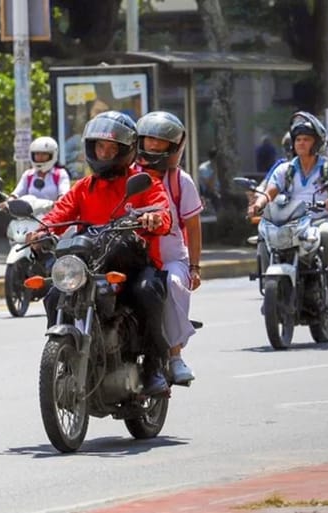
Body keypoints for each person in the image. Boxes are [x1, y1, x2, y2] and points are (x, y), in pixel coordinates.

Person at [26, 111, 173, 396]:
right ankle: (66, 358)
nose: (104, 153)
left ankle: (153, 366)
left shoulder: (144, 182)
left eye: (112, 148)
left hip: (131, 264)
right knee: (56, 293)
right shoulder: (83, 188)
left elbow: (161, 211)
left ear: (126, 151)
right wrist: (41, 232)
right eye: (99, 147)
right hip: (90, 263)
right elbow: (58, 214)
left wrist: (154, 218)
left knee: (146, 291)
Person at [248, 111, 328, 311]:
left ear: (317, 143)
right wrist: (258, 204)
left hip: (320, 219)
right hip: (291, 222)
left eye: (307, 139)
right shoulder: (285, 169)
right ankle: (269, 289)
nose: (301, 143)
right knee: (263, 236)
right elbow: (269, 191)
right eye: (298, 139)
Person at [136, 111, 202, 385]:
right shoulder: (129, 175)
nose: (152, 145)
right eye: (148, 139)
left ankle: (175, 357)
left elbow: (194, 226)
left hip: (172, 257)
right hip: (135, 257)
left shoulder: (180, 180)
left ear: (173, 147)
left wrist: (194, 267)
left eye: (160, 141)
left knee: (174, 285)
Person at [4, 136, 71, 204]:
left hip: (54, 213)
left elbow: (64, 194)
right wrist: (8, 202)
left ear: (52, 155)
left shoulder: (60, 174)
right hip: (30, 214)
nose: (39, 157)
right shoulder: (28, 175)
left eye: (44, 154)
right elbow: (17, 193)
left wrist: (59, 202)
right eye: (37, 154)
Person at [196, 148, 221, 212]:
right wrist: (215, 171)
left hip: (220, 191)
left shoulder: (223, 167)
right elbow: (210, 187)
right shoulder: (203, 168)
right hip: (208, 193)